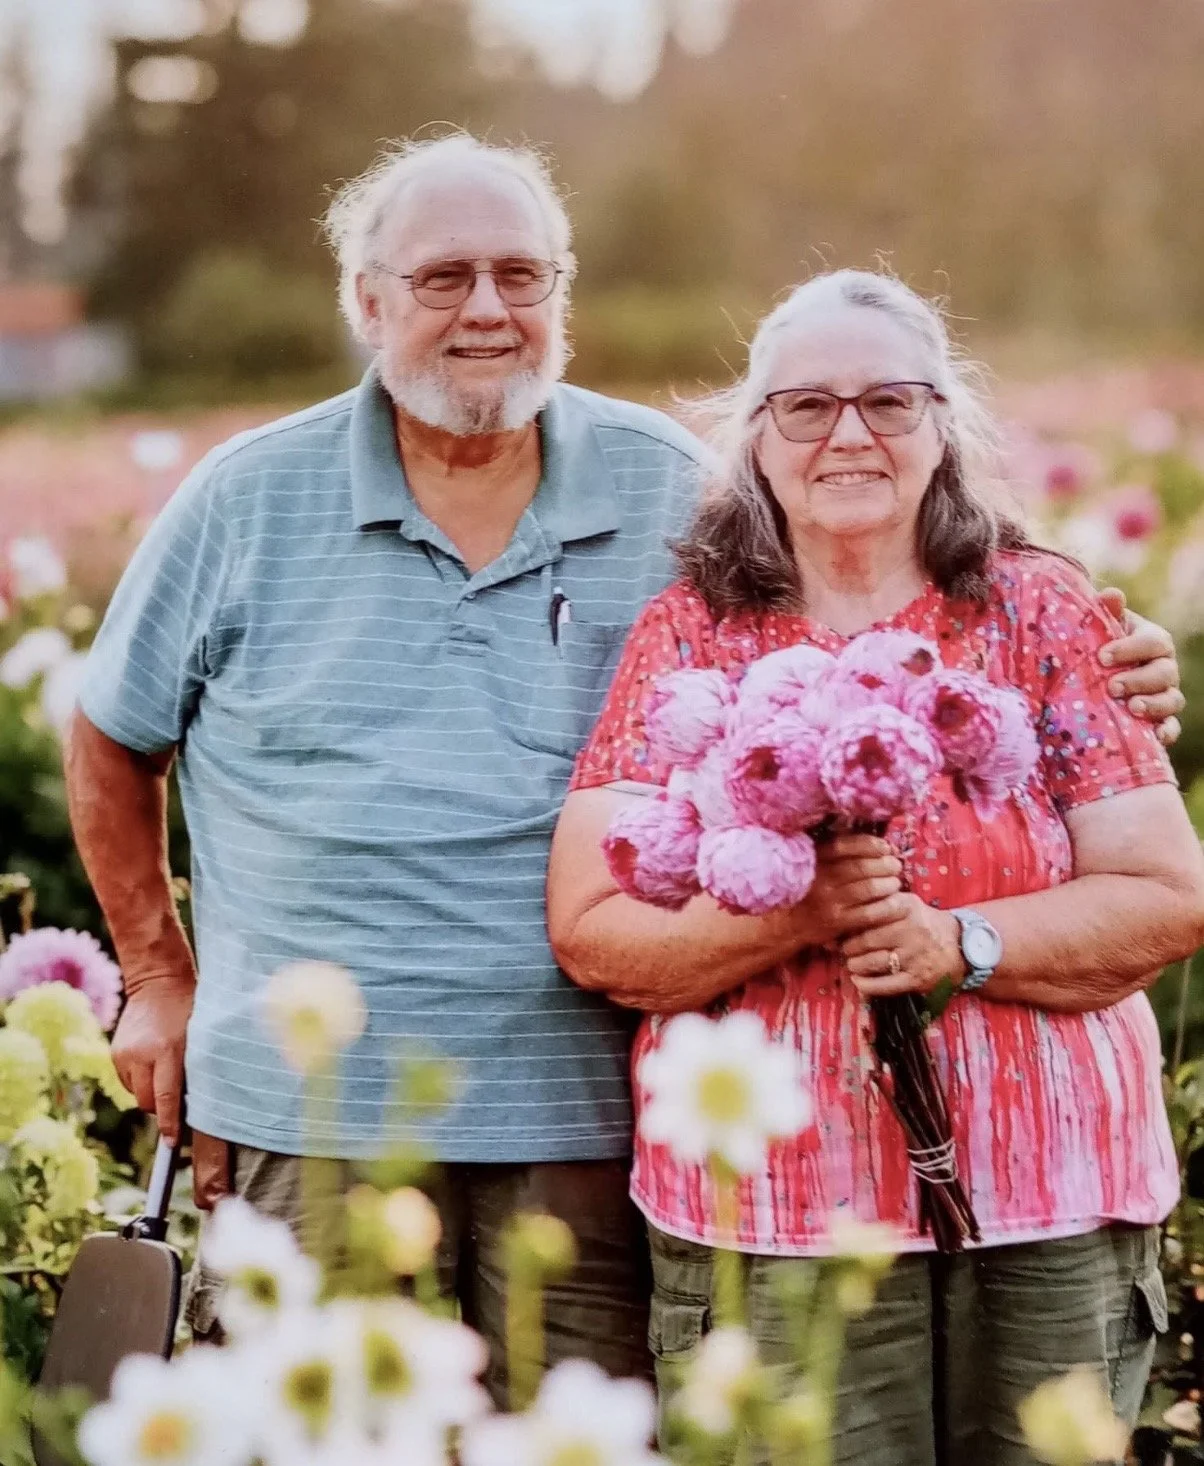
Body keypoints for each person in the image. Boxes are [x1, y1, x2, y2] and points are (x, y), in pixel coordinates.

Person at [63, 131, 1182, 1396]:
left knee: (576, 1428)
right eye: (442, 279)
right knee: (318, 1426)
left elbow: (885, 550)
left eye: (521, 275)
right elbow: (110, 735)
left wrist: (1109, 656)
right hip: (313, 1113)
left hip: (579, 1118)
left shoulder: (670, 492)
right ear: (367, 304)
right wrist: (157, 976)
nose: (487, 309)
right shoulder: (243, 500)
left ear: (563, 297)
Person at [546, 268, 1204, 1464]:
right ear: (755, 439)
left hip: (1048, 1208)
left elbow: (1163, 896)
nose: (848, 432)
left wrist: (962, 942)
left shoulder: (1039, 613)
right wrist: (795, 917)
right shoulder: (689, 634)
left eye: (889, 401)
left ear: (942, 426)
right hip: (778, 1219)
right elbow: (593, 924)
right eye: (805, 406)